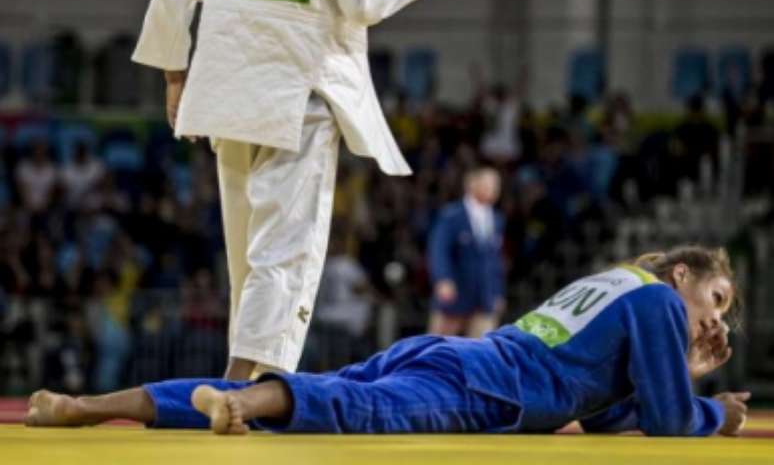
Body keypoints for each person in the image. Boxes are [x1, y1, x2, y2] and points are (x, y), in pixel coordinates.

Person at [130, 0, 447, 380]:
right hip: (296, 101)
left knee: (247, 257)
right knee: (284, 253)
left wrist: (176, 79)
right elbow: (366, 1)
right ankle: (241, 387)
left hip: (224, 100)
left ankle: (241, 378)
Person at [25, 245, 750, 437]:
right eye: (714, 302)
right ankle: (246, 401)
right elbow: (667, 425)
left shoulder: (618, 284)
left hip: (458, 356)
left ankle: (84, 405)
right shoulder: (657, 298)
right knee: (349, 409)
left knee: (346, 390)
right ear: (683, 274)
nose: (715, 322)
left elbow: (604, 417)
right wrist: (716, 410)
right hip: (484, 387)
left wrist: (679, 368)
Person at [427, 167, 506, 337]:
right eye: (489, 183)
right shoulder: (452, 215)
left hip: (484, 297)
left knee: (482, 352)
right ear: (472, 184)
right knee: (440, 351)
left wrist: (497, 291)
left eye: (496, 184)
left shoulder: (497, 219)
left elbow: (495, 260)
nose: (494, 189)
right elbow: (439, 250)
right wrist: (443, 279)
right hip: (455, 294)